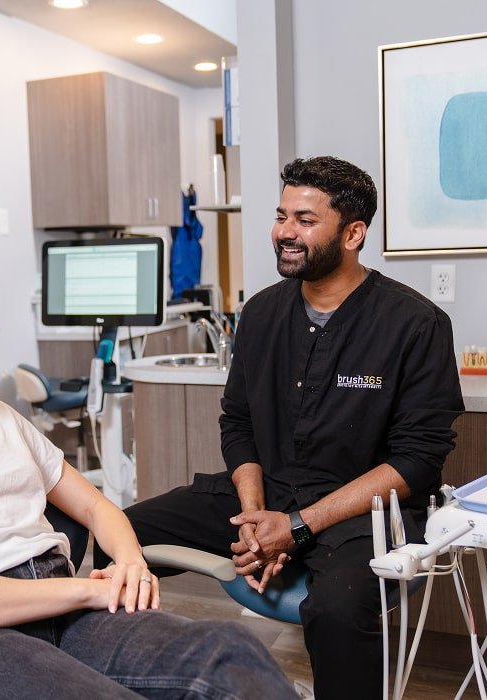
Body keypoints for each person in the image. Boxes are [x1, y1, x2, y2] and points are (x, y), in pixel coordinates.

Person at [0, 248, 296, 700]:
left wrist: (129, 562)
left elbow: (97, 506)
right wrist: (87, 589)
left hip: (63, 613)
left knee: (229, 652)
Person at [95, 156, 465, 699]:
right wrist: (252, 514)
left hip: (357, 512)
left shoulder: (415, 324)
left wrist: (296, 525)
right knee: (117, 539)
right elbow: (239, 421)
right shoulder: (262, 313)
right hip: (264, 492)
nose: (285, 232)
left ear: (354, 233)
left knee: (338, 610)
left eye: (305, 220)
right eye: (281, 215)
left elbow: (417, 461)